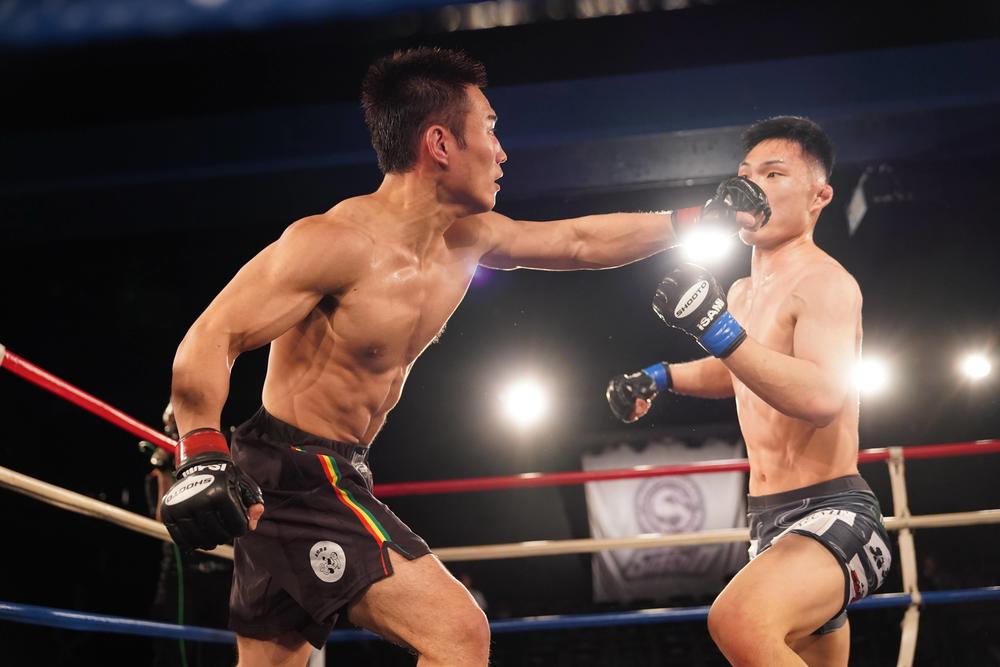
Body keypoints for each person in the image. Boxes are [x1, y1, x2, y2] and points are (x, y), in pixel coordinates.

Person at [158, 47, 763, 667]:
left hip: (338, 467)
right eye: (491, 130)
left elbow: (577, 241)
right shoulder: (334, 243)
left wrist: (695, 218)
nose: (502, 152)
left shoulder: (466, 240)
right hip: (296, 474)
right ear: (440, 143)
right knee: (458, 634)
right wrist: (201, 452)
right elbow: (211, 337)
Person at [607, 116, 892, 666]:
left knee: (737, 620)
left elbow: (821, 397)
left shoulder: (824, 282)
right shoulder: (740, 291)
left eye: (773, 173)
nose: (752, 185)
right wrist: (661, 376)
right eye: (745, 174)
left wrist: (718, 331)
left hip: (833, 514)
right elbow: (740, 371)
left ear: (819, 195)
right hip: (767, 522)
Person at [141, 403, 235, 667]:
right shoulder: (158, 472)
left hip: (224, 570)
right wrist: (164, 471)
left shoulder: (222, 460)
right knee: (173, 647)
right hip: (181, 569)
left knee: (221, 651)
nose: (174, 429)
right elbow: (162, 522)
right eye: (170, 424)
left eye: (177, 422)